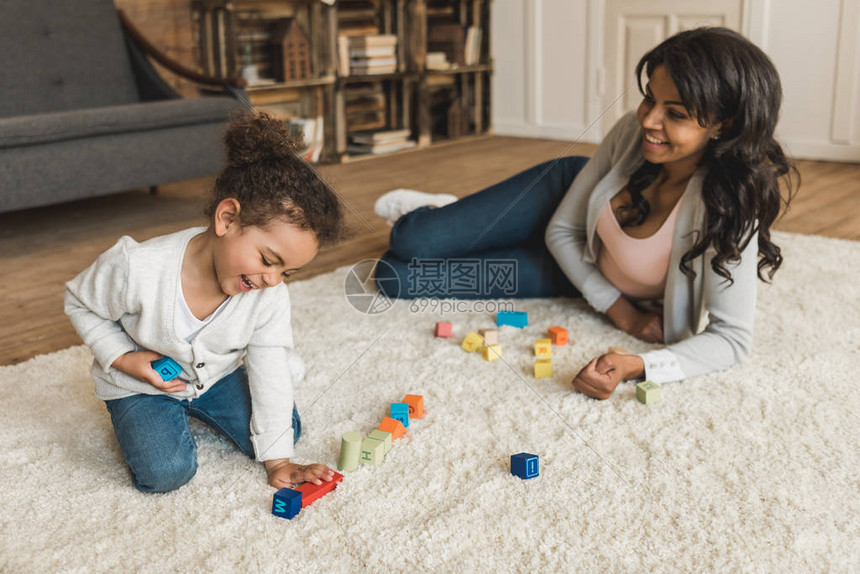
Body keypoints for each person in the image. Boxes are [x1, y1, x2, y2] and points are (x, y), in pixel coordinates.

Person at [373, 27, 798, 399]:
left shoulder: (729, 210)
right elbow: (562, 230)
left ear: (722, 125)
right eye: (650, 98)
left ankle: (468, 218)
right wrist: (621, 311)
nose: (648, 120)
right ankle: (443, 212)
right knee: (412, 240)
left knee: (398, 278)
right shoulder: (632, 135)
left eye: (676, 114)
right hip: (562, 199)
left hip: (569, 272)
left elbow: (733, 338)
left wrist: (642, 366)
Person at [65, 112, 346, 493]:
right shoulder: (136, 266)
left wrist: (278, 461)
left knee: (284, 431)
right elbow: (80, 302)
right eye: (267, 260)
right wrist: (122, 358)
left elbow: (271, 382)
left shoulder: (269, 295)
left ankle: (279, 361)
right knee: (165, 473)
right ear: (227, 219)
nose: (273, 280)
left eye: (288, 272)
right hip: (138, 383)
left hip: (216, 375)